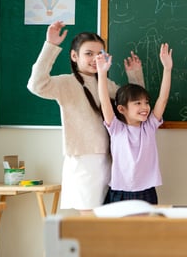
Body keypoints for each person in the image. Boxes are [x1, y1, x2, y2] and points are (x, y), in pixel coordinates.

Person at [27, 21, 144, 213]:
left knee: (109, 218)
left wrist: (135, 75)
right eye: (88, 53)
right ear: (74, 56)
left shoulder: (105, 83)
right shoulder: (66, 83)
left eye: (100, 54)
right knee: (90, 218)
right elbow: (36, 85)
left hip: (111, 158)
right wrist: (50, 46)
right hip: (84, 160)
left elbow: (136, 105)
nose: (95, 58)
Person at [96, 43, 173, 205]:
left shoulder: (149, 126)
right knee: (116, 231)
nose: (145, 107)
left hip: (146, 191)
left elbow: (163, 99)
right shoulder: (116, 128)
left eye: (146, 102)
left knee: (147, 230)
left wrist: (167, 69)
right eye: (138, 103)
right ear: (122, 109)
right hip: (120, 190)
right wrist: (102, 73)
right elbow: (104, 100)